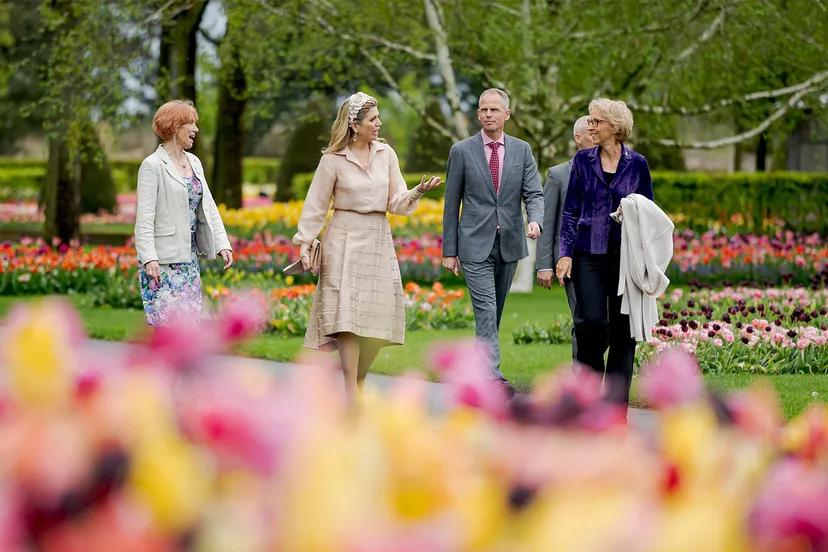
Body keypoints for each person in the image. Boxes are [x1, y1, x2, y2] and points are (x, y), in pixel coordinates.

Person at [295, 92, 442, 405]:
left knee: (378, 317)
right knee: (346, 319)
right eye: (373, 119)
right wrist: (305, 242)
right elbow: (316, 205)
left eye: (378, 118)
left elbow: (396, 202)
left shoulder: (386, 154)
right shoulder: (332, 160)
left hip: (377, 237)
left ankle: (356, 381)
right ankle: (351, 393)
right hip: (342, 238)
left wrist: (416, 192)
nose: (379, 123)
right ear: (354, 124)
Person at [442, 88, 544, 398]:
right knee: (486, 308)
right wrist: (450, 250)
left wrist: (535, 219)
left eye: (494, 110)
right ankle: (493, 378)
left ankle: (475, 369)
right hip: (473, 243)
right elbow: (451, 202)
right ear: (478, 115)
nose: (489, 115)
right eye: (484, 110)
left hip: (510, 242)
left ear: (507, 115)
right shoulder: (461, 150)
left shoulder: (522, 150)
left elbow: (534, 193)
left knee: (494, 310)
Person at [555, 98, 653, 414]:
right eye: (590, 122)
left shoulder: (637, 164)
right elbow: (569, 210)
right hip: (588, 254)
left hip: (626, 257)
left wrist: (634, 210)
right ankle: (588, 398)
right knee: (590, 324)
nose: (591, 126)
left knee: (624, 333)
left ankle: (613, 412)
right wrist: (564, 254)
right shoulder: (583, 160)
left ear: (615, 126)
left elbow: (650, 210)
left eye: (596, 122)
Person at [134, 99, 233, 327]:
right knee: (168, 329)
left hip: (188, 261)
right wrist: (149, 258)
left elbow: (208, 207)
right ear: (174, 126)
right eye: (191, 123)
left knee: (188, 328)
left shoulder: (195, 162)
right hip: (162, 263)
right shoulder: (152, 166)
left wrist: (222, 243)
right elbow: (144, 219)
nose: (196, 130)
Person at [536, 115, 595, 361]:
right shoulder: (559, 175)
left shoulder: (614, 170)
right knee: (583, 320)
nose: (598, 135)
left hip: (607, 259)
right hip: (570, 261)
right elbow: (547, 223)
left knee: (604, 323)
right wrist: (544, 264)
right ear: (577, 138)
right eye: (592, 133)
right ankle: (583, 382)